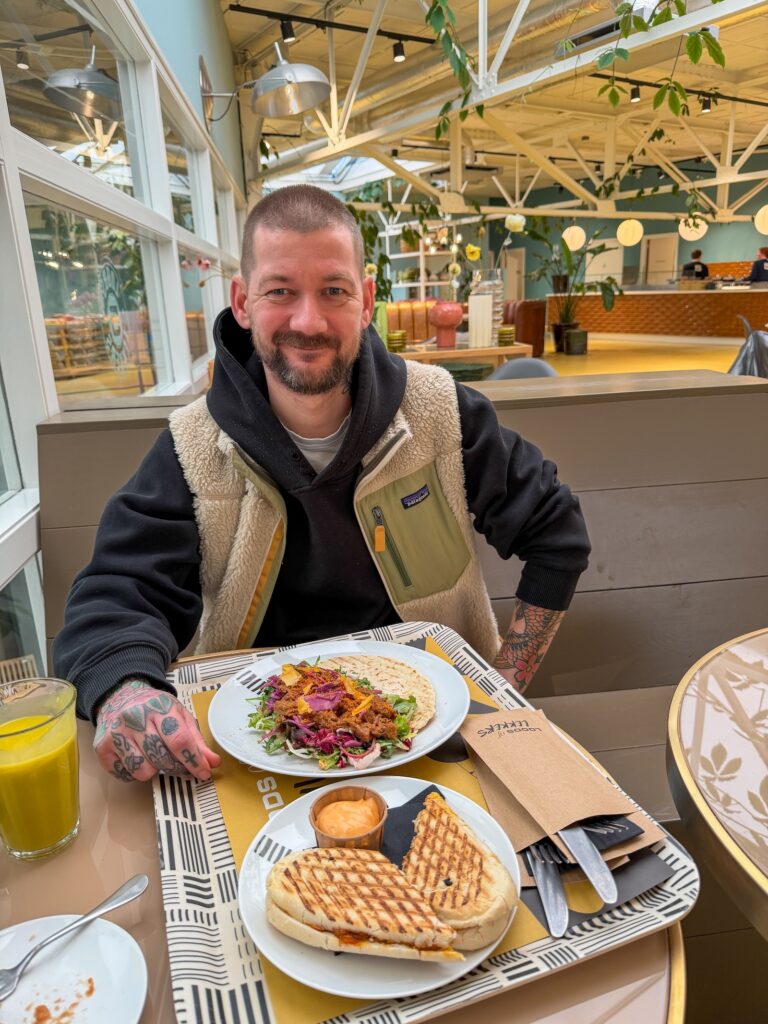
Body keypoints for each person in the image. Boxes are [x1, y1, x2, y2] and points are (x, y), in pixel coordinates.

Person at [53, 186, 591, 784]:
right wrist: (125, 688)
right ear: (242, 303)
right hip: (256, 739)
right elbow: (117, 593)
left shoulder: (441, 412)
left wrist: (501, 692)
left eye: (333, 291)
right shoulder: (193, 446)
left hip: (439, 730)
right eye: (280, 291)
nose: (307, 322)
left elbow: (557, 534)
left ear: (365, 302)